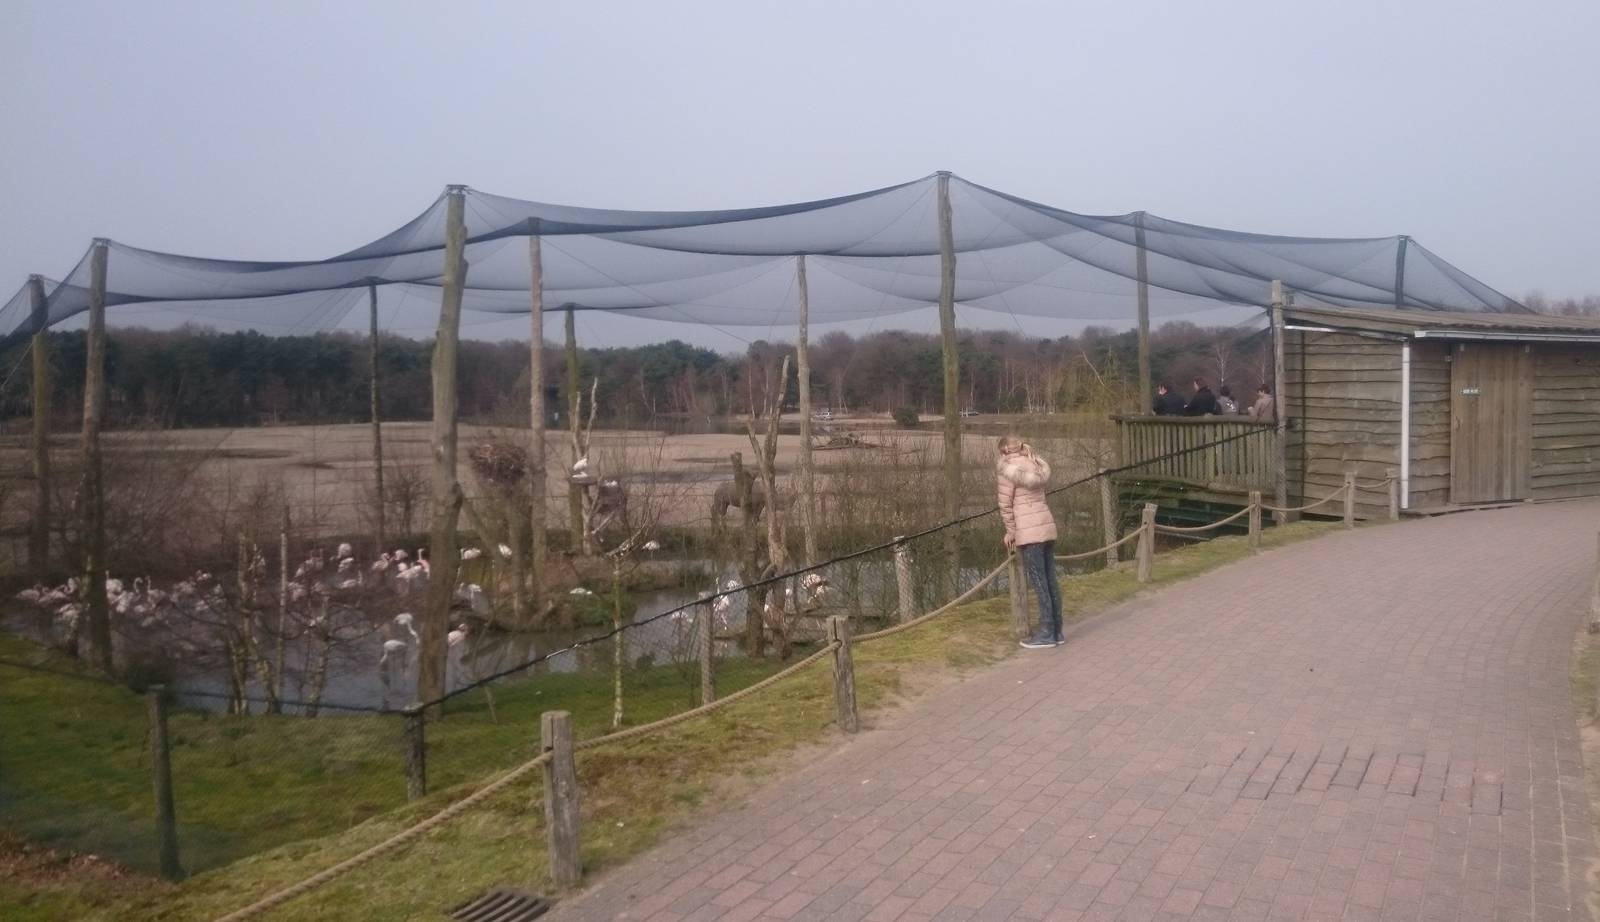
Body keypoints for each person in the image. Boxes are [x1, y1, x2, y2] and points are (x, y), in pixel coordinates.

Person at [996, 435, 1062, 649]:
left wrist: (1010, 531)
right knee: (1051, 580)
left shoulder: (1007, 470)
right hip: (1046, 526)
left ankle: (1046, 632)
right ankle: (1057, 630)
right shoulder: (1035, 463)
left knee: (1039, 582)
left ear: (1004, 450)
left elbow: (1005, 505)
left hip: (1029, 532)